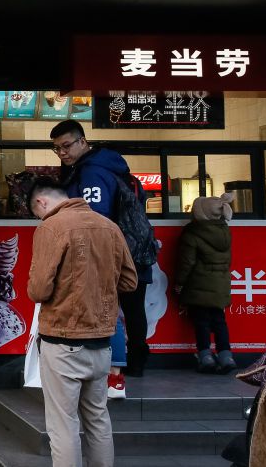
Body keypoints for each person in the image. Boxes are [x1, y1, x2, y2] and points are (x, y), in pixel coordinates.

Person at [27, 178, 138, 467]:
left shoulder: (51, 227)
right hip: (101, 344)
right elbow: (129, 281)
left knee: (63, 424)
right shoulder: (109, 227)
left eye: (36, 212)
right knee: (98, 419)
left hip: (62, 342)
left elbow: (38, 290)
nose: (39, 217)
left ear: (41, 202)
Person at [51, 119, 151, 393]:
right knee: (132, 308)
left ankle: (115, 367)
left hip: (110, 253)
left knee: (111, 309)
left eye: (66, 146)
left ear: (83, 142)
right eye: (57, 149)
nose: (62, 153)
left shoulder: (92, 171)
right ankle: (136, 361)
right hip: (134, 249)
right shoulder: (110, 166)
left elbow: (94, 218)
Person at [175, 193, 237, 374]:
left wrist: (179, 284)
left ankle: (206, 357)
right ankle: (226, 357)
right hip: (220, 285)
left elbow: (186, 263)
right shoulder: (224, 231)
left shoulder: (193, 232)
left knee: (201, 322)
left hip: (198, 285)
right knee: (219, 321)